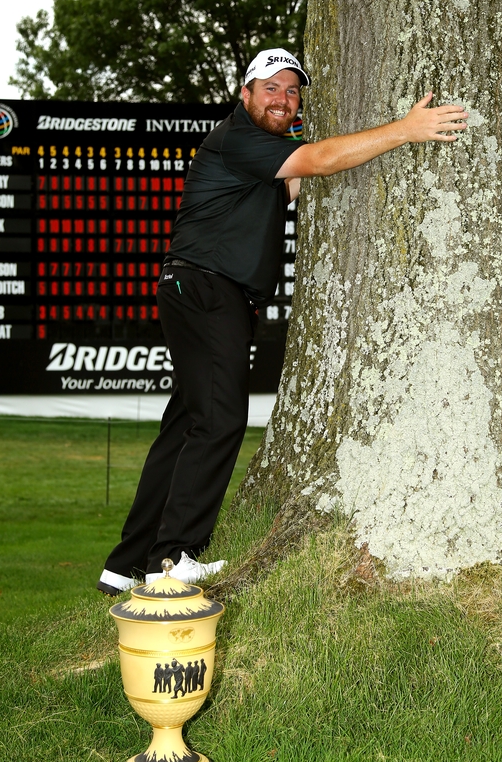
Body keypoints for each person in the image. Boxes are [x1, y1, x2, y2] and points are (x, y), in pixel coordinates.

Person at [97, 47, 468, 596]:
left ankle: (126, 562)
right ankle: (170, 561)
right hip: (206, 289)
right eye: (270, 87)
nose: (282, 98)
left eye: (292, 90)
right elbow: (317, 160)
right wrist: (404, 130)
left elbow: (299, 173)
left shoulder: (260, 159)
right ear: (244, 94)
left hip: (198, 290)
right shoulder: (235, 139)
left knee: (186, 426)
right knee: (221, 420)